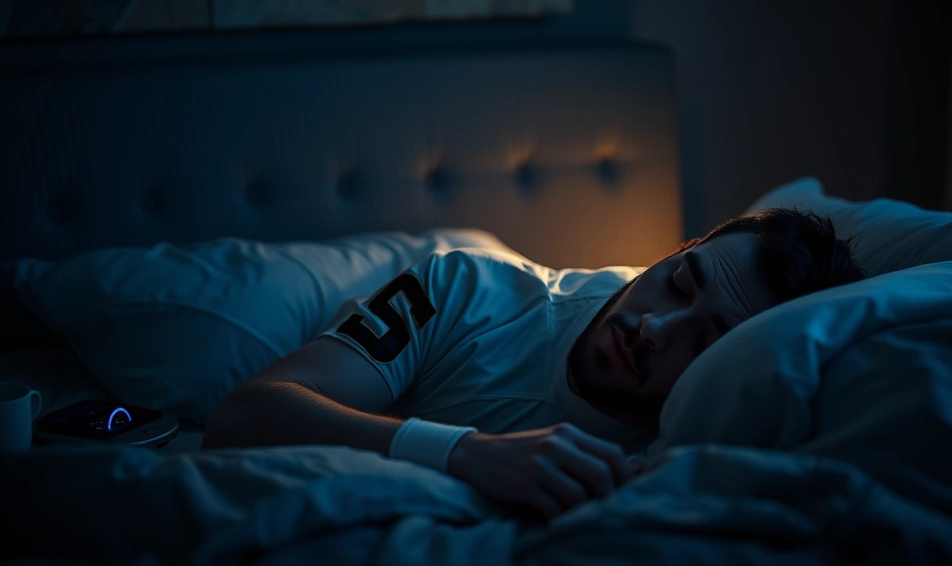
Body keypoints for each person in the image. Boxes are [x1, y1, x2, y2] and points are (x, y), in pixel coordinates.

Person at [203, 208, 865, 520]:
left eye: (706, 341)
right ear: (669, 254)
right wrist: (466, 452)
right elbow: (243, 416)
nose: (652, 328)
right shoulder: (463, 289)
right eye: (677, 282)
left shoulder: (711, 426)